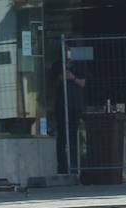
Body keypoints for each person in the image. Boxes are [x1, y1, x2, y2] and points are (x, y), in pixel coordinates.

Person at [51, 47, 86, 175]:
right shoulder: (57, 65)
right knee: (62, 136)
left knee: (73, 135)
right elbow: (52, 82)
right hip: (61, 105)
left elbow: (83, 82)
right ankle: (63, 167)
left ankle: (75, 166)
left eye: (69, 51)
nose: (68, 54)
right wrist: (61, 77)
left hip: (75, 105)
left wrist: (72, 78)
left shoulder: (79, 65)